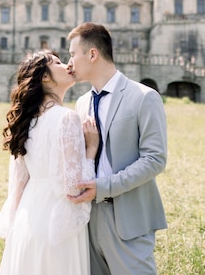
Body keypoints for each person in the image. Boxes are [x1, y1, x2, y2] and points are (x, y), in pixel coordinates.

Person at [67, 23, 168, 275]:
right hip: (87, 219)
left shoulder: (144, 97)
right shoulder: (81, 103)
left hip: (127, 216)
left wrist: (104, 187)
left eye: (72, 54)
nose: (69, 62)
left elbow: (155, 159)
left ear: (92, 54)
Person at [0, 49, 99, 275]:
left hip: (26, 219)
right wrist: (91, 149)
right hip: (55, 223)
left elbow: (18, 184)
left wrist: (14, 225)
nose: (67, 65)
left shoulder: (26, 122)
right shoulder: (66, 117)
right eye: (58, 63)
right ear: (46, 77)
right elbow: (74, 187)